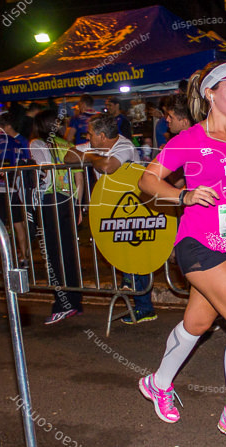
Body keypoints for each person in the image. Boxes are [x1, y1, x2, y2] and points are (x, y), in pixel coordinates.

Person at [137, 60, 226, 447]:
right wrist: (184, 194)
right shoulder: (189, 139)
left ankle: (157, 383)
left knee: (197, 325)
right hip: (197, 245)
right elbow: (147, 181)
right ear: (210, 94)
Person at [67, 113, 158, 324]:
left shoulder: (124, 146)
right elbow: (68, 156)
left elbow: (109, 166)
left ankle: (144, 306)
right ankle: (138, 300)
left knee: (134, 256)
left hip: (133, 209)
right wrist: (92, 155)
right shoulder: (94, 146)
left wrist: (89, 156)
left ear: (101, 135)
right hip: (111, 210)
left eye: (90, 134)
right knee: (122, 255)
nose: (86, 137)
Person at [29, 107, 84, 324]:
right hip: (68, 201)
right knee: (69, 253)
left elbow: (44, 168)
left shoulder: (38, 144)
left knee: (54, 255)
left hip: (50, 200)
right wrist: (79, 206)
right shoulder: (69, 145)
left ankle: (62, 304)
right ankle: (74, 302)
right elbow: (79, 178)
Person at [0, 113, 31, 263]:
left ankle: (6, 259)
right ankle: (25, 257)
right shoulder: (16, 142)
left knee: (0, 225)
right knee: (18, 224)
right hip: (14, 188)